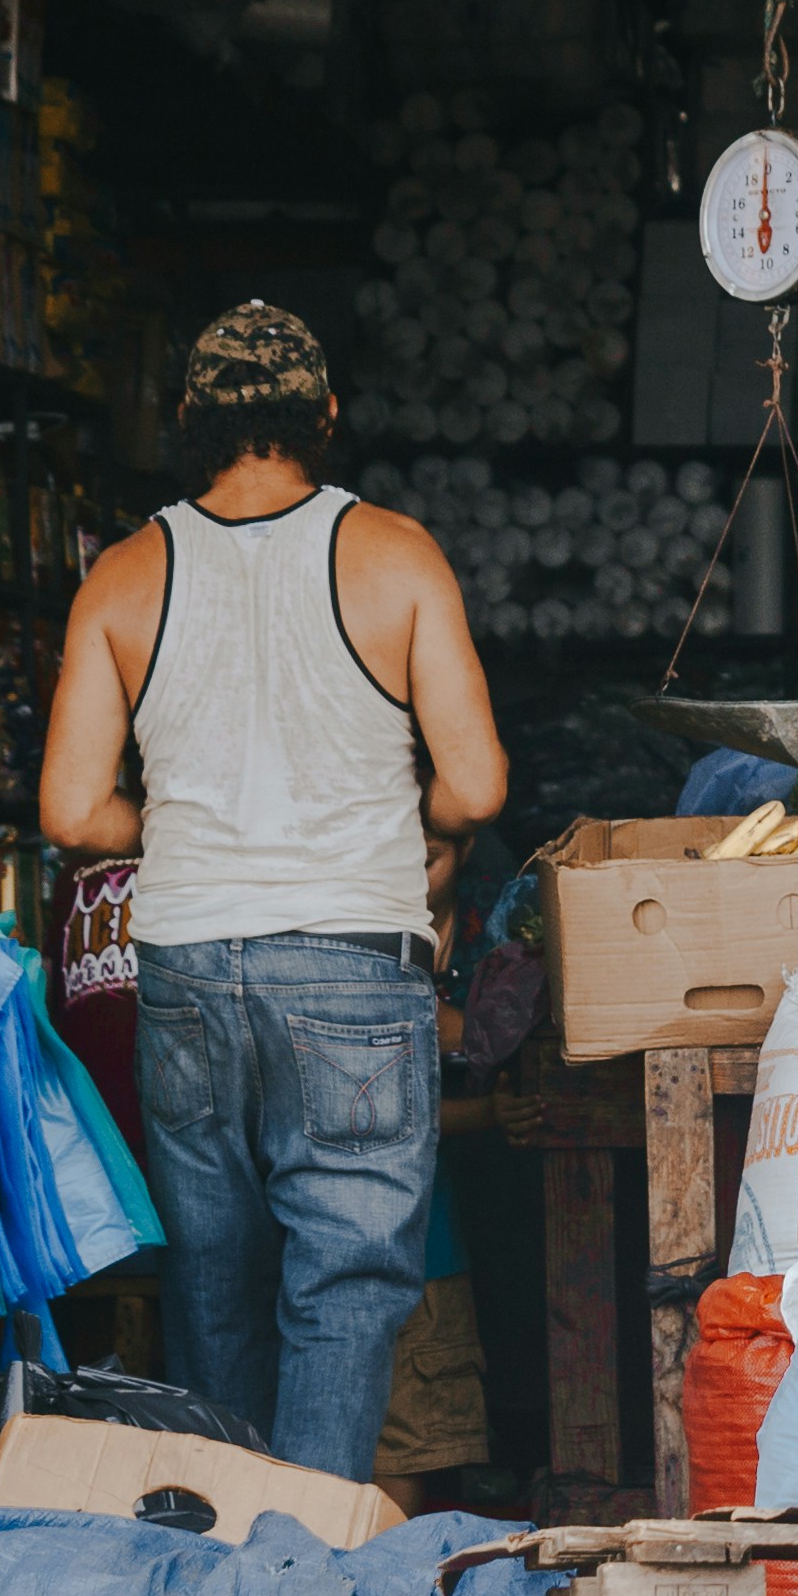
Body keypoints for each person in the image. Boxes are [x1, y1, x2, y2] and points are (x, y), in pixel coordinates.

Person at [38, 304, 511, 1484]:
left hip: (190, 971)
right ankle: (303, 1574)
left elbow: (70, 811)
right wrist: (423, 828)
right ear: (327, 418)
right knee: (344, 1288)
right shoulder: (396, 554)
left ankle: (223, 1552)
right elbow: (478, 782)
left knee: (216, 1280)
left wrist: (176, 823)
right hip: (351, 962)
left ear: (191, 425)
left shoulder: (125, 574)